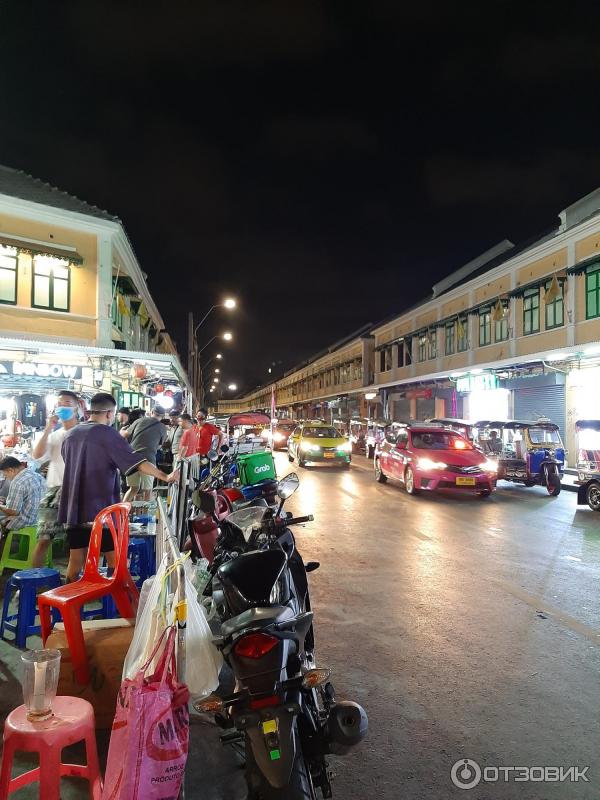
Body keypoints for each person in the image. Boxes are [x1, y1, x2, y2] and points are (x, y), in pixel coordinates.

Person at [59, 393, 177, 582]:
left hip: (74, 510)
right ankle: (116, 607)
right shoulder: (106, 434)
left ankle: (73, 606)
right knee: (114, 563)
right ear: (109, 413)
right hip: (100, 511)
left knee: (75, 563)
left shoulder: (70, 434)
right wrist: (166, 476)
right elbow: (137, 462)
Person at [31, 390, 80, 568]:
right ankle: (35, 582)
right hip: (53, 491)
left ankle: (74, 582)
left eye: (67, 402)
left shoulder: (83, 433)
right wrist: (48, 428)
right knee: (43, 539)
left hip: (77, 491)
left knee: (77, 543)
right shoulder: (54, 435)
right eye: (60, 403)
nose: (63, 406)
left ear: (77, 407)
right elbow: (36, 456)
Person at [122, 405, 167, 501]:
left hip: (132, 459)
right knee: (147, 491)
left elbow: (125, 434)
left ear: (151, 412)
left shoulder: (139, 421)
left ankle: (122, 513)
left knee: (133, 489)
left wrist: (121, 432)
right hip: (148, 460)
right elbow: (160, 446)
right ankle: (145, 515)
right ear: (162, 416)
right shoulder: (163, 428)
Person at [0, 456, 46, 536]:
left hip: (26, 521)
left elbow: (13, 512)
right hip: (40, 519)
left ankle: (3, 546)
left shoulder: (17, 482)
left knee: (3, 519)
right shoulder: (37, 475)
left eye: (5, 475)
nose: (6, 478)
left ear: (11, 470)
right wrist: (5, 500)